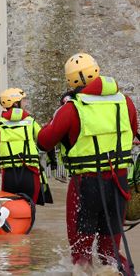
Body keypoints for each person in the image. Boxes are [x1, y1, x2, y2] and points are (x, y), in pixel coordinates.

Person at [37, 53, 137, 274]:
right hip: (119, 184)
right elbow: (133, 130)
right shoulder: (125, 102)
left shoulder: (71, 109)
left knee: (81, 254)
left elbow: (43, 141)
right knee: (110, 252)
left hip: (86, 186)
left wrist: (56, 116)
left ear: (71, 81)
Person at [0, 88, 55, 205]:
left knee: (10, 209)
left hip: (9, 176)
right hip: (30, 173)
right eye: (23, 100)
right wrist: (53, 160)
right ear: (15, 103)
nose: (26, 103)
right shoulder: (30, 122)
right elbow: (46, 140)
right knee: (29, 209)